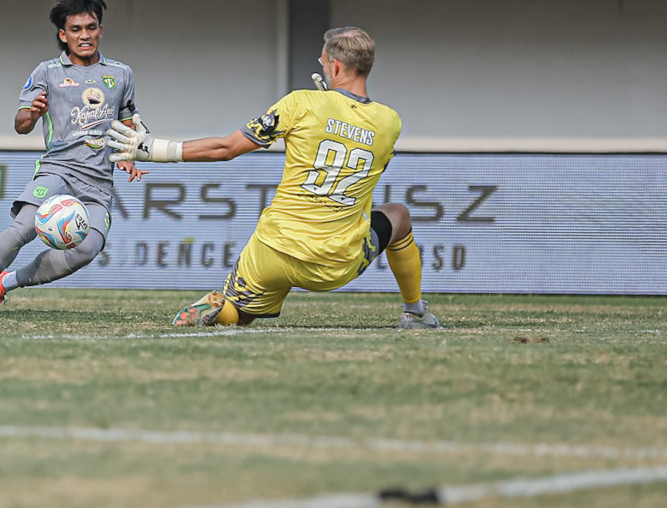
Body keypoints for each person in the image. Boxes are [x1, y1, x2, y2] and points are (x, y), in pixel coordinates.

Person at [106, 26, 442, 330]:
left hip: (274, 250)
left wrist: (152, 149)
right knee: (398, 214)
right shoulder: (390, 122)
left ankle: (218, 310)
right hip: (335, 263)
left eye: (324, 62)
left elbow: (226, 148)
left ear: (335, 67)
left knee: (243, 311)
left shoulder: (301, 103)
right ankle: (415, 311)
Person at [0, 0, 143, 314]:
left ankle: (8, 282)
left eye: (90, 27)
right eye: (75, 29)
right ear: (63, 35)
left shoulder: (121, 74)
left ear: (100, 30)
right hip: (58, 171)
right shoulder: (48, 72)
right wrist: (33, 113)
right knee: (25, 227)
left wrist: (130, 154)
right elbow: (21, 124)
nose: (84, 35)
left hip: (98, 183)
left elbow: (129, 122)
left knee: (88, 249)